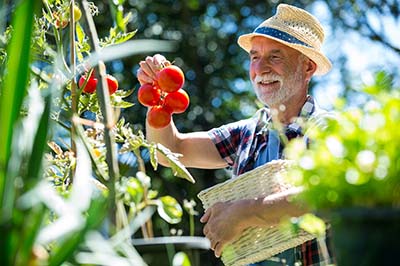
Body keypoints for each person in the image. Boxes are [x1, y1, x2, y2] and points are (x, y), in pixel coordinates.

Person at [137, 4, 334, 265]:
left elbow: (329, 196)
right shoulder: (247, 133)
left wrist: (245, 212)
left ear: (307, 68)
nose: (260, 68)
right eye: (254, 57)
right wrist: (158, 94)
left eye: (275, 57)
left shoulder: (328, 129)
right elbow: (172, 150)